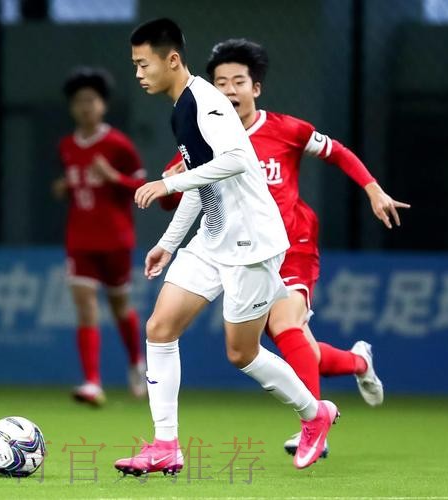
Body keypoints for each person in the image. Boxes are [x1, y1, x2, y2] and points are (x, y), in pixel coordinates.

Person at [159, 38, 410, 456]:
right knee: (297, 346)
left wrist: (372, 189)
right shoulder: (201, 138)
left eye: (239, 81)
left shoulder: (287, 130)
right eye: (220, 82)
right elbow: (175, 197)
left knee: (286, 325)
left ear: (255, 88)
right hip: (240, 250)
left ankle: (311, 423)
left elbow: (336, 152)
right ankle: (358, 362)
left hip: (293, 243)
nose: (229, 90)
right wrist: (172, 181)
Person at [114, 18, 338, 475]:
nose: (137, 74)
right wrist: (168, 243)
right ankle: (166, 445)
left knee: (241, 353)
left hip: (251, 244)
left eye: (143, 64)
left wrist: (166, 183)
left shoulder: (207, 103)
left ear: (171, 60)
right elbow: (204, 186)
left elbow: (235, 161)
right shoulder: (181, 108)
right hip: (213, 239)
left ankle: (314, 414)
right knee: (159, 328)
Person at [52, 67, 147, 407]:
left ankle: (136, 363)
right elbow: (76, 184)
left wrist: (113, 177)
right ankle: (92, 382)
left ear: (103, 105)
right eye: (79, 101)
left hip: (116, 239)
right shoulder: (66, 145)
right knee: (85, 304)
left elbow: (143, 187)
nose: (85, 107)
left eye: (91, 100)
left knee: (120, 305)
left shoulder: (118, 144)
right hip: (80, 239)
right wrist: (64, 187)